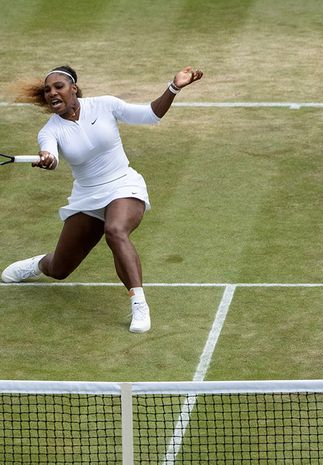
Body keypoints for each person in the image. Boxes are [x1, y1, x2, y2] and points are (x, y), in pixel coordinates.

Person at [1, 65, 204, 333]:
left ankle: (139, 303)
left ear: (73, 88)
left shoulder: (104, 105)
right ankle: (38, 264)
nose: (52, 93)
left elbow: (151, 115)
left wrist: (174, 86)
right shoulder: (49, 130)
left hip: (123, 184)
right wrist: (48, 159)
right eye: (47, 90)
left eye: (58, 86)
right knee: (60, 269)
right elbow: (51, 155)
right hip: (87, 196)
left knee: (115, 230)